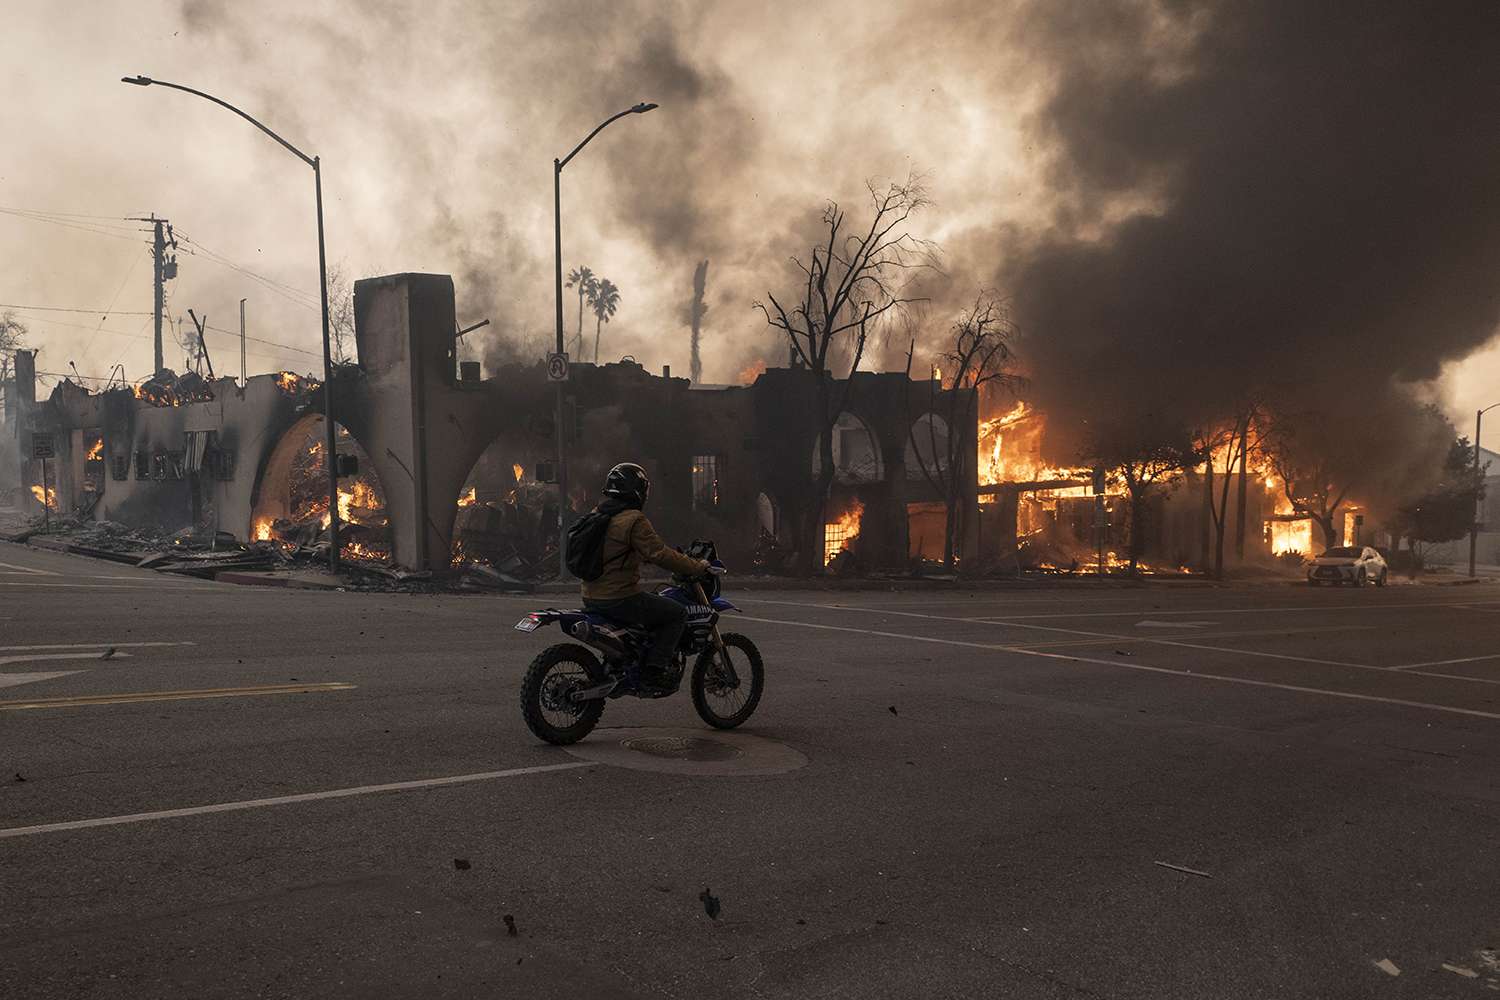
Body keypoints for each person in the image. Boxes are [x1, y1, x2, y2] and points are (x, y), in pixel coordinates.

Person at [580, 462, 710, 688]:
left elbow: (615, 549)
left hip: (590, 596)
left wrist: (643, 556)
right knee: (677, 613)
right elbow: (662, 555)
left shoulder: (597, 514)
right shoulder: (633, 519)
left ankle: (630, 659)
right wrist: (696, 566)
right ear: (635, 490)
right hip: (619, 598)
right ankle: (654, 670)